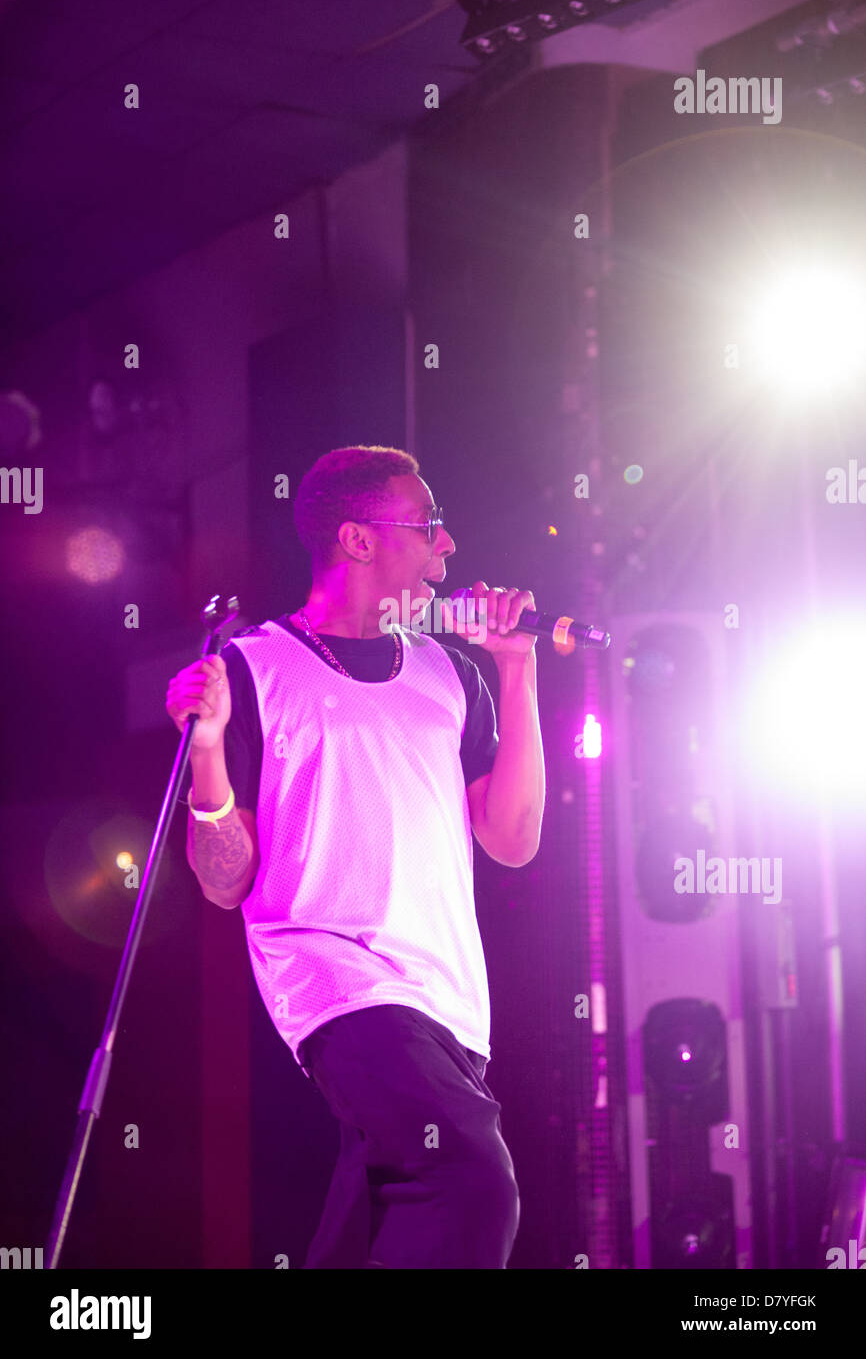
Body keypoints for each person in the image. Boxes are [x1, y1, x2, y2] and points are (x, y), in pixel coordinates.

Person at [166, 444, 546, 1268]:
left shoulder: (450, 675)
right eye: (429, 525)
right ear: (359, 541)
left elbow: (513, 841)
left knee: (370, 1223)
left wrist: (515, 672)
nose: (448, 546)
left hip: (448, 1001)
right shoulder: (256, 670)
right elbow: (226, 881)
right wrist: (205, 752)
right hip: (339, 984)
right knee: (472, 1180)